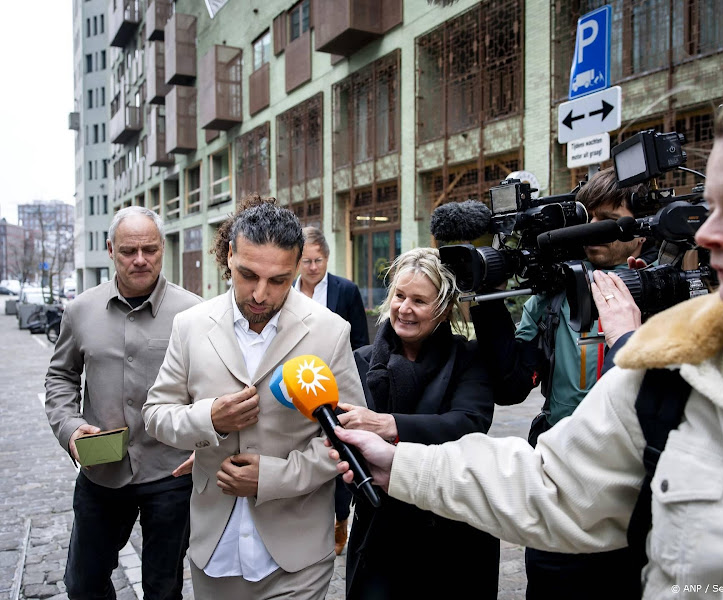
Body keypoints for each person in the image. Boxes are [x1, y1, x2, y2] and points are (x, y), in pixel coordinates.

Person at [329, 89, 723, 598]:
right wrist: (397, 462)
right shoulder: (592, 323)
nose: (707, 234)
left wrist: (629, 343)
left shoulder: (670, 336)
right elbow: (546, 471)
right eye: (711, 208)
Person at [142, 196, 368, 600]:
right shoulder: (190, 325)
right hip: (215, 552)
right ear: (230, 254)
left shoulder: (331, 331)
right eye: (248, 275)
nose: (260, 294)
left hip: (298, 556)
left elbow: (349, 435)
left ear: (297, 269)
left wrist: (273, 477)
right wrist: (209, 419)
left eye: (278, 280)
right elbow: (156, 414)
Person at [470, 167, 652, 599]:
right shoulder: (552, 295)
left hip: (636, 484)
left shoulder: (663, 288)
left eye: (609, 220)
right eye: (588, 217)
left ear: (641, 233)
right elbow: (512, 385)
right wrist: (488, 296)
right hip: (561, 478)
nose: (593, 229)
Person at [44, 206, 201, 600]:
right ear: (111, 250)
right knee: (83, 585)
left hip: (171, 474)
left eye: (150, 249)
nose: (140, 260)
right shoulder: (80, 311)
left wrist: (207, 445)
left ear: (162, 248)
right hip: (101, 471)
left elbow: (210, 388)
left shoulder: (194, 313)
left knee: (163, 590)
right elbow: (60, 377)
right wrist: (69, 429)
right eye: (129, 251)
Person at [335, 247, 500, 600]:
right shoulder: (361, 361)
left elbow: (468, 422)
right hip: (380, 530)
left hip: (451, 531)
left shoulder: (467, 357)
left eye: (419, 301)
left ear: (443, 309)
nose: (404, 308)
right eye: (399, 296)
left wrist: (388, 424)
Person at [296, 226, 369, 555]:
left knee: (337, 452)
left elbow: (360, 343)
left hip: (334, 388)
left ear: (327, 258)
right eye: (307, 261)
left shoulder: (346, 290)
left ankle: (341, 518)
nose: (313, 267)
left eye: (319, 260)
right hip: (296, 388)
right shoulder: (288, 290)